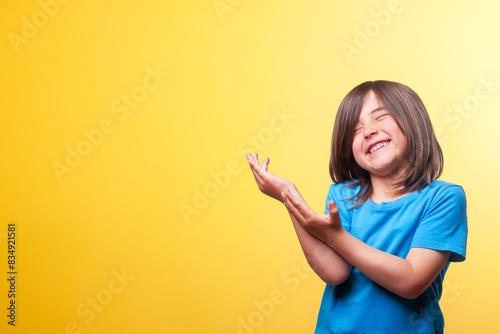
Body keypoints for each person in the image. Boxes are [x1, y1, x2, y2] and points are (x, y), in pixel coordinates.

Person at [246, 80, 468, 334]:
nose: (368, 131)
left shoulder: (444, 198)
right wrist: (289, 197)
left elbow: (411, 280)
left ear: (413, 121)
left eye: (380, 116)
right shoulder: (343, 196)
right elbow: (335, 273)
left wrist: (334, 236)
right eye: (355, 129)